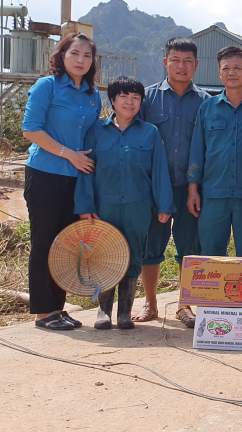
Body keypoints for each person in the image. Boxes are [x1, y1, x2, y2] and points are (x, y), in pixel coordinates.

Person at [74, 77, 176, 330]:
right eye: (124, 97)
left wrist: (164, 206)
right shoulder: (95, 131)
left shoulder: (150, 132)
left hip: (138, 206)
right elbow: (86, 170)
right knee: (104, 256)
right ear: (112, 101)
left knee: (133, 256)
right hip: (104, 206)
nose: (130, 102)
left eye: (136, 98)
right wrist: (85, 205)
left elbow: (159, 171)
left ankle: (124, 313)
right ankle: (103, 311)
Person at [21, 32, 103, 330]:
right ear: (62, 56)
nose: (81, 60)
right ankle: (43, 313)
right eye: (75, 54)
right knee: (44, 242)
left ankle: (57, 307)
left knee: (66, 245)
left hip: (76, 179)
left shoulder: (93, 95)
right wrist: (70, 155)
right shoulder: (47, 86)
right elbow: (31, 129)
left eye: (87, 56)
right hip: (45, 175)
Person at [135, 38, 211, 328]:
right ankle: (150, 303)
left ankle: (184, 305)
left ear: (196, 65)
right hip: (156, 188)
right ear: (165, 61)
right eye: (176, 60)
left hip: (191, 189)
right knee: (151, 246)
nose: (182, 66)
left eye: (188, 61)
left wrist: (196, 187)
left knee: (188, 248)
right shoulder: (148, 98)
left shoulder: (206, 102)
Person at [187, 46, 242, 257]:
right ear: (219, 73)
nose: (232, 72)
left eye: (237, 68)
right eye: (226, 68)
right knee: (211, 254)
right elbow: (197, 151)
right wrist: (193, 190)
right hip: (214, 194)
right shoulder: (207, 108)